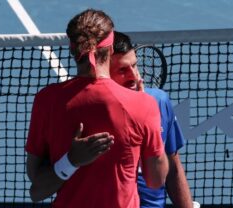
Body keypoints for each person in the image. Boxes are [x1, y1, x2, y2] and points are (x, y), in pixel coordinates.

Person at [25, 9, 168, 208]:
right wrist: (150, 123)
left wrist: (70, 162)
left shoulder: (46, 100)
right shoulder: (144, 105)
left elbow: (37, 182)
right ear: (110, 50)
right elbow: (156, 179)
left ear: (73, 50)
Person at [110, 31, 193, 208]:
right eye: (122, 70)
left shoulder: (159, 101)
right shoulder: (93, 112)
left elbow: (174, 169)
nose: (134, 76)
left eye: (135, 66)